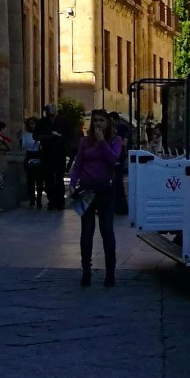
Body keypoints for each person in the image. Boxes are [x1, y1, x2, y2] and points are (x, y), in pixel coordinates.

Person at [70, 111, 124, 286]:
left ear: (107, 123)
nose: (98, 124)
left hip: (105, 189)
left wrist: (102, 142)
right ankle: (86, 271)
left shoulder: (115, 141)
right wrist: (73, 182)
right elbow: (78, 164)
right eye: (95, 121)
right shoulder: (85, 142)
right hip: (87, 189)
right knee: (86, 231)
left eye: (101, 120)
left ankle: (110, 273)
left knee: (106, 230)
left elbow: (113, 159)